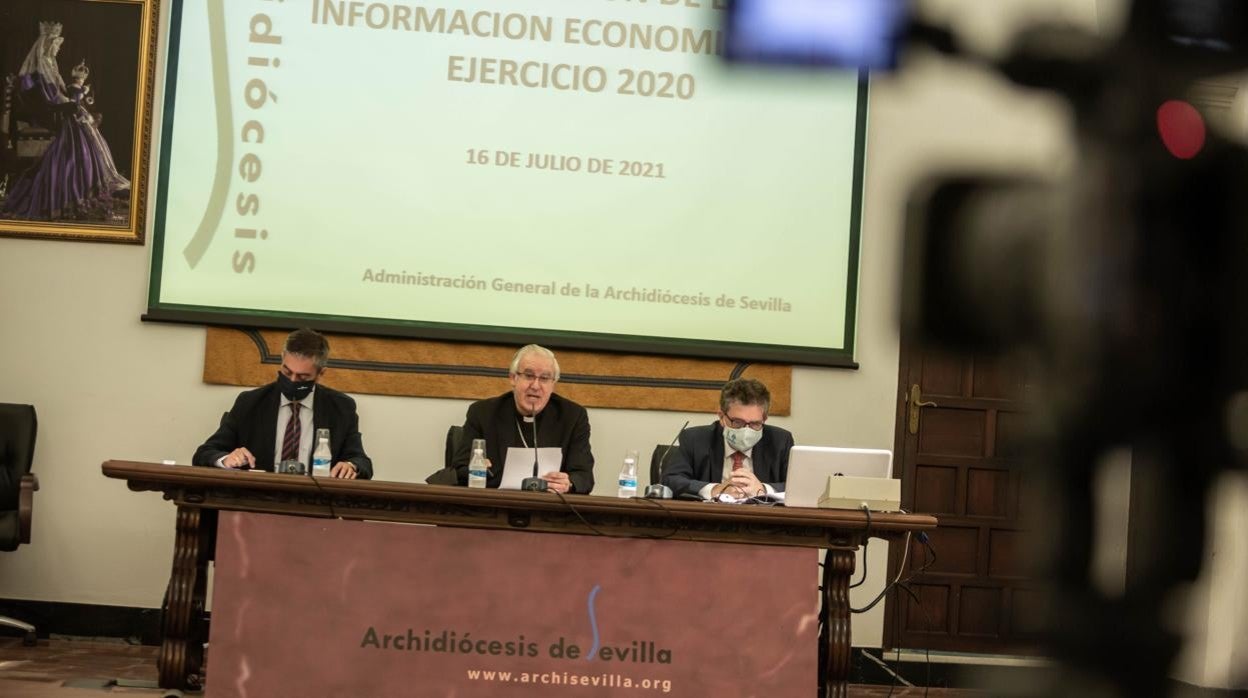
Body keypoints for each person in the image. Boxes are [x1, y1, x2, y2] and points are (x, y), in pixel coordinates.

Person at [192, 329, 373, 479]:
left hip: (316, 506)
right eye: (287, 373)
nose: (293, 381)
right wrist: (226, 459)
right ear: (281, 361)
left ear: (321, 373)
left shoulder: (341, 408)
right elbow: (205, 453)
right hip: (256, 503)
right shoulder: (250, 403)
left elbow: (361, 461)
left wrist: (351, 466)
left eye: (303, 377)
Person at [2, 21, 131, 221]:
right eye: (55, 45)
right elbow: (49, 100)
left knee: (87, 129)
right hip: (51, 116)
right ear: (46, 45)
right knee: (81, 136)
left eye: (59, 46)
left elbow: (59, 94)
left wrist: (73, 95)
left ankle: (86, 193)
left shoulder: (50, 67)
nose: (57, 49)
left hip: (61, 110)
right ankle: (76, 194)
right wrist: (71, 101)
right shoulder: (38, 72)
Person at [451, 345, 593, 493]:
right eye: (529, 376)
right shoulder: (483, 413)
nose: (535, 386)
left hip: (549, 510)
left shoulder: (573, 416)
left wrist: (568, 483)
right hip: (496, 506)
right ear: (513, 378)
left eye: (544, 378)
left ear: (553, 384)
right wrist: (478, 469)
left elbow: (584, 477)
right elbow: (458, 469)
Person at [662, 378, 793, 500]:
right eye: (737, 422)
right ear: (721, 417)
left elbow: (800, 485)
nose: (746, 430)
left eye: (755, 424)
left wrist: (764, 489)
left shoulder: (780, 441)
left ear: (764, 419)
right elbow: (671, 480)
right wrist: (714, 490)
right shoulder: (695, 439)